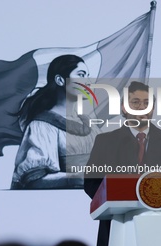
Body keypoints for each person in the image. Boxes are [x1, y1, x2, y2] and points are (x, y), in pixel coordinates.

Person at [84, 81, 161, 246]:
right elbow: (91, 183)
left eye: (147, 103)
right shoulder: (105, 141)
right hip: (117, 224)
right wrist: (119, 199)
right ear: (123, 108)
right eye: (136, 102)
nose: (142, 108)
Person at [11, 54, 100, 189]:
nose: (88, 81)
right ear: (60, 80)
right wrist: (77, 178)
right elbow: (34, 180)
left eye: (88, 75)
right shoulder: (42, 126)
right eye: (81, 74)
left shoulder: (89, 123)